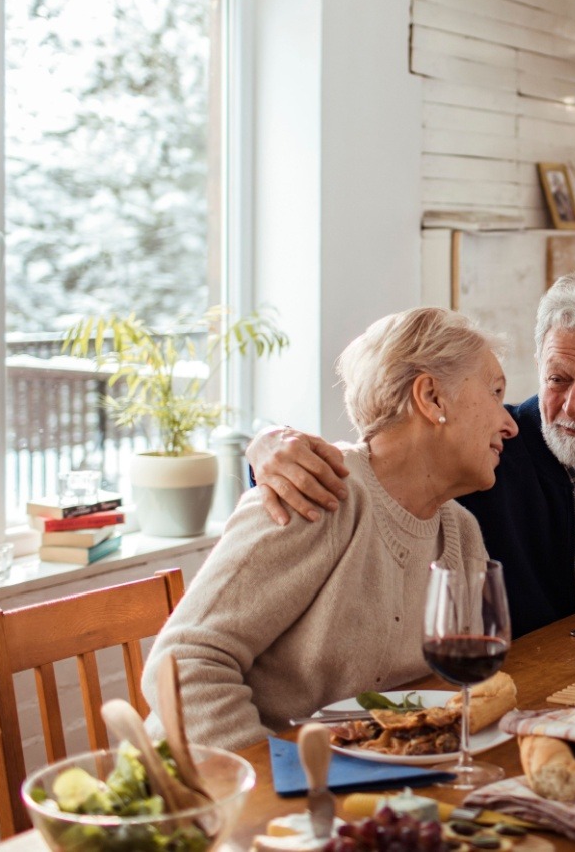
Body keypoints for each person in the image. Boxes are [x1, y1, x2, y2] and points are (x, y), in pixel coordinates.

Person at [243, 270, 575, 634]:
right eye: (557, 378)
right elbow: (374, 467)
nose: (573, 403)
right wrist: (267, 450)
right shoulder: (485, 452)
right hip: (511, 683)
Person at [141, 308, 511, 750]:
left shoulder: (460, 532)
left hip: (358, 776)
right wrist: (277, 777)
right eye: (494, 392)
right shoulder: (314, 495)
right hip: (224, 792)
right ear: (431, 398)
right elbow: (181, 666)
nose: (509, 423)